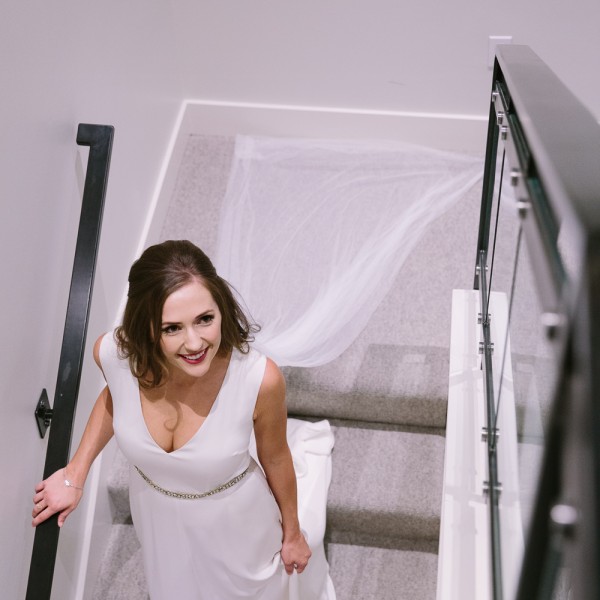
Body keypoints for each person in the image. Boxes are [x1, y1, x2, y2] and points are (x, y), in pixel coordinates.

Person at [32, 239, 334, 599]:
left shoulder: (259, 379)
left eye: (205, 319)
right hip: (155, 512)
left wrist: (293, 533)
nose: (194, 343)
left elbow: (277, 457)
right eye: (171, 328)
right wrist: (75, 473)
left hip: (235, 522)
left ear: (221, 308)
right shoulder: (114, 354)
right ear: (146, 327)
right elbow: (116, 396)